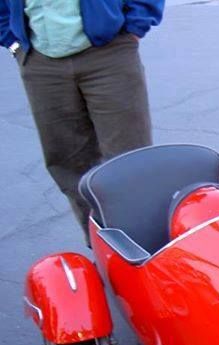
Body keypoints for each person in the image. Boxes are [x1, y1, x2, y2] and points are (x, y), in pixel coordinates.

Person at [0, 0, 164, 242]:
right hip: (40, 61)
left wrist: (136, 26)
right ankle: (101, 246)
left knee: (130, 160)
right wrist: (12, 40)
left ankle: (145, 246)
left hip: (109, 53)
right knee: (69, 163)